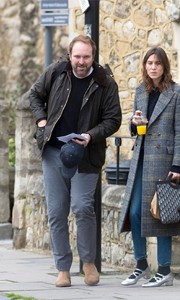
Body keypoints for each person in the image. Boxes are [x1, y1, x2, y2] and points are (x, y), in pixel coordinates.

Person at [29, 35, 122, 287]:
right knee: (57, 212)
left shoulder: (105, 83)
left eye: (86, 57)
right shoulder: (56, 72)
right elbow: (34, 96)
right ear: (70, 55)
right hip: (54, 152)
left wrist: (91, 135)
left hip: (86, 155)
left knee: (82, 207)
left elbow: (113, 119)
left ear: (93, 57)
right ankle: (63, 268)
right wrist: (41, 121)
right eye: (77, 56)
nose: (81, 62)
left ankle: (88, 263)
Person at [118, 47, 180, 287]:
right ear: (145, 66)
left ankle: (165, 270)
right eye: (149, 62)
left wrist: (178, 165)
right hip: (142, 159)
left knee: (162, 214)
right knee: (135, 211)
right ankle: (141, 265)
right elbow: (136, 127)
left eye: (158, 63)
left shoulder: (177, 94)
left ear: (165, 66)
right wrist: (134, 123)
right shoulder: (141, 90)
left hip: (164, 162)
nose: (153, 67)